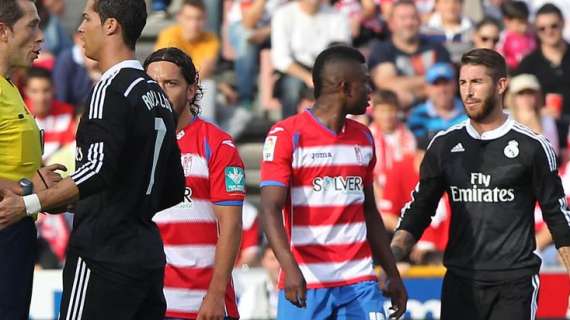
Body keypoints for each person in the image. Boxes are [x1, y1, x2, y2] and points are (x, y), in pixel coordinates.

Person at [0, 0, 186, 319]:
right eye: (33, 25)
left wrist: (34, 200)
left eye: (86, 18)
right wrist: (43, 190)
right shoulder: (155, 94)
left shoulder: (108, 89)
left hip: (100, 251)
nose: (79, 28)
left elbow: (98, 169)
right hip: (145, 253)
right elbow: (171, 186)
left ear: (110, 25)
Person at [390, 48, 570, 319]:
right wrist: (390, 263)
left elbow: (558, 217)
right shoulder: (444, 145)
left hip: (515, 283)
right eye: (463, 82)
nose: (468, 91)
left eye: (477, 82)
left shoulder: (532, 146)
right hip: (460, 281)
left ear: (501, 85)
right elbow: (419, 209)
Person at [260, 45, 407, 320]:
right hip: (307, 281)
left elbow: (370, 212)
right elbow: (269, 209)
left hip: (359, 281)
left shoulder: (364, 138)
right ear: (345, 87)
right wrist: (289, 269)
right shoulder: (287, 134)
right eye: (365, 83)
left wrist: (392, 272)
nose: (370, 91)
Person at [145, 47, 245, 320]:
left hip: (200, 305)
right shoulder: (135, 145)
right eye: (153, 84)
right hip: (147, 301)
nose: (160, 91)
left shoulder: (217, 144)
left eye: (171, 83)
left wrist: (214, 295)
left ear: (191, 91)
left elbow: (232, 225)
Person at [0, 0, 65, 318]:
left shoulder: (10, 87)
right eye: (31, 25)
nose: (40, 36)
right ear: (3, 31)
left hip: (17, 232)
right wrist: (28, 188)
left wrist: (47, 190)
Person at [270, 0, 351, 118]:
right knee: (291, 87)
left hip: (328, 69)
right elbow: (281, 59)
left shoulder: (337, 15)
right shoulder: (283, 14)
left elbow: (342, 52)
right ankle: (288, 130)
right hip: (296, 70)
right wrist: (308, 78)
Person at [368, 0, 451, 109]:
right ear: (391, 23)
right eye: (403, 18)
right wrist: (431, 80)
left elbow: (447, 85)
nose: (409, 23)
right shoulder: (382, 50)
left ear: (419, 21)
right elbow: (387, 85)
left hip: (437, 113)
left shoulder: (437, 48)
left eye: (413, 18)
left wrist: (413, 97)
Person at [24, 66, 76, 161]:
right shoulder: (19, 115)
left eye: (46, 90)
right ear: (26, 91)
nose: (41, 98)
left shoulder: (67, 112)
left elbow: (70, 147)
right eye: (34, 91)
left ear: (54, 89)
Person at [407, 62, 467, 140]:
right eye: (436, 84)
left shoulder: (469, 112)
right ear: (427, 88)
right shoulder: (417, 116)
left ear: (455, 85)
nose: (442, 89)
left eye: (446, 83)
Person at [497, 1, 535, 71]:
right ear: (507, 21)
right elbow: (500, 58)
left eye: (526, 22)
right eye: (520, 23)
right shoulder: (503, 38)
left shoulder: (531, 36)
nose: (524, 27)